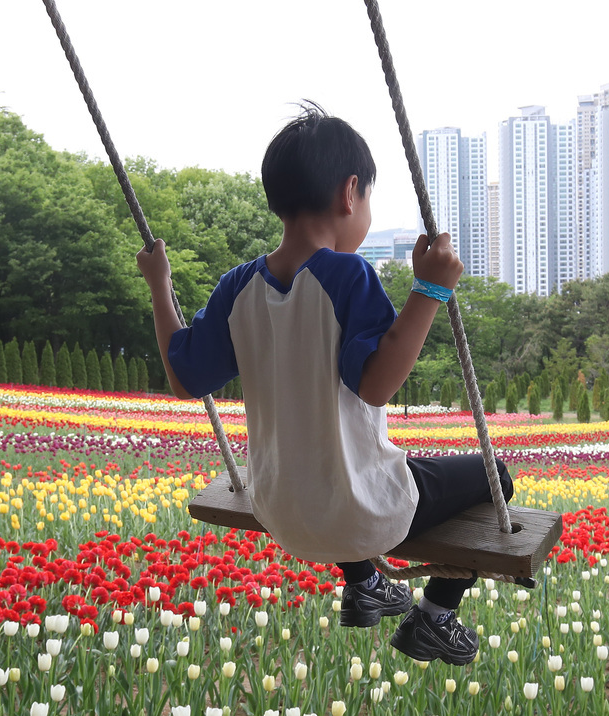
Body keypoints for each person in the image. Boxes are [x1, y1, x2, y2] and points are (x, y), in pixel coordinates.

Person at [137, 107, 511, 666]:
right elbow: (378, 384)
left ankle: (364, 583)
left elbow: (184, 376)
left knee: (330, 466)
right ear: (350, 193)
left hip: (281, 512)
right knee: (494, 474)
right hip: (362, 512)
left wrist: (160, 286)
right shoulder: (345, 273)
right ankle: (435, 616)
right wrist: (429, 290)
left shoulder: (237, 287)